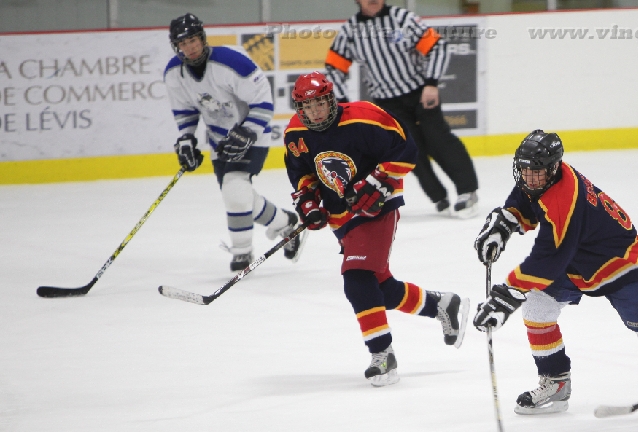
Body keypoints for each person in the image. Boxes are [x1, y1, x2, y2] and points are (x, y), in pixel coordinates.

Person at [471, 130, 638, 415]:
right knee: (537, 306)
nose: (529, 178)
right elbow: (524, 200)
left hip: (620, 266)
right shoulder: (545, 177)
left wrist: (507, 294)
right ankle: (556, 383)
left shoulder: (564, 200)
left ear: (553, 167)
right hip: (577, 263)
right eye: (524, 170)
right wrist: (504, 223)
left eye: (536, 172)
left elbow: (548, 261)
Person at [284, 72, 469, 386]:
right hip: (340, 216)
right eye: (307, 106)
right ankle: (441, 305)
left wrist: (378, 182)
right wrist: (309, 202)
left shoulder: (365, 118)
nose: (315, 112)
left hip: (377, 207)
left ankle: (382, 355)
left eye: (319, 103)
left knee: (357, 279)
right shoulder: (295, 133)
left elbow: (406, 150)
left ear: (331, 99)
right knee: (379, 288)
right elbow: (302, 173)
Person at [163, 13, 304, 272]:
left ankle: (242, 253)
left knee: (235, 189)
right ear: (176, 46)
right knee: (238, 196)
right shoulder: (174, 73)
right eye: (183, 43)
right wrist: (186, 138)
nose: (190, 47)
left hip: (253, 133)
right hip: (219, 139)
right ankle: (286, 223)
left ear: (202, 38)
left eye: (193, 40)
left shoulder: (232, 63)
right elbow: (185, 111)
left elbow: (263, 102)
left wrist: (248, 131)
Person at [324, 0, 480, 218]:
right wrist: (345, 105)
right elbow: (333, 68)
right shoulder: (350, 31)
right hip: (387, 104)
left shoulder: (402, 19)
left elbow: (437, 47)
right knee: (410, 151)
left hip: (420, 94)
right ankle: (438, 197)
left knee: (439, 140)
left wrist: (431, 83)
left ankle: (467, 191)